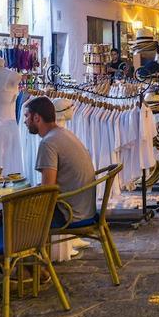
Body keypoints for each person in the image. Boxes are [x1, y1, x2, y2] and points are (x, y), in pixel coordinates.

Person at [23, 96, 96, 225]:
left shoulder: (48, 143)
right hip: (85, 209)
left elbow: (48, 190)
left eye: (26, 116)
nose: (25, 121)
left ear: (37, 118)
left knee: (8, 216)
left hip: (69, 213)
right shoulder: (64, 133)